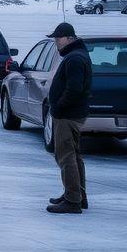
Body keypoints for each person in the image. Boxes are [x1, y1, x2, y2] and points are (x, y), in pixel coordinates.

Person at [45, 22, 93, 214]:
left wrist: (58, 107)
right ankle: (77, 195)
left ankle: (73, 200)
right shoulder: (78, 55)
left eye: (58, 38)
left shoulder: (74, 59)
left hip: (68, 115)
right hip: (72, 113)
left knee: (66, 156)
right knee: (74, 155)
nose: (56, 42)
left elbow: (74, 88)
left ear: (69, 38)